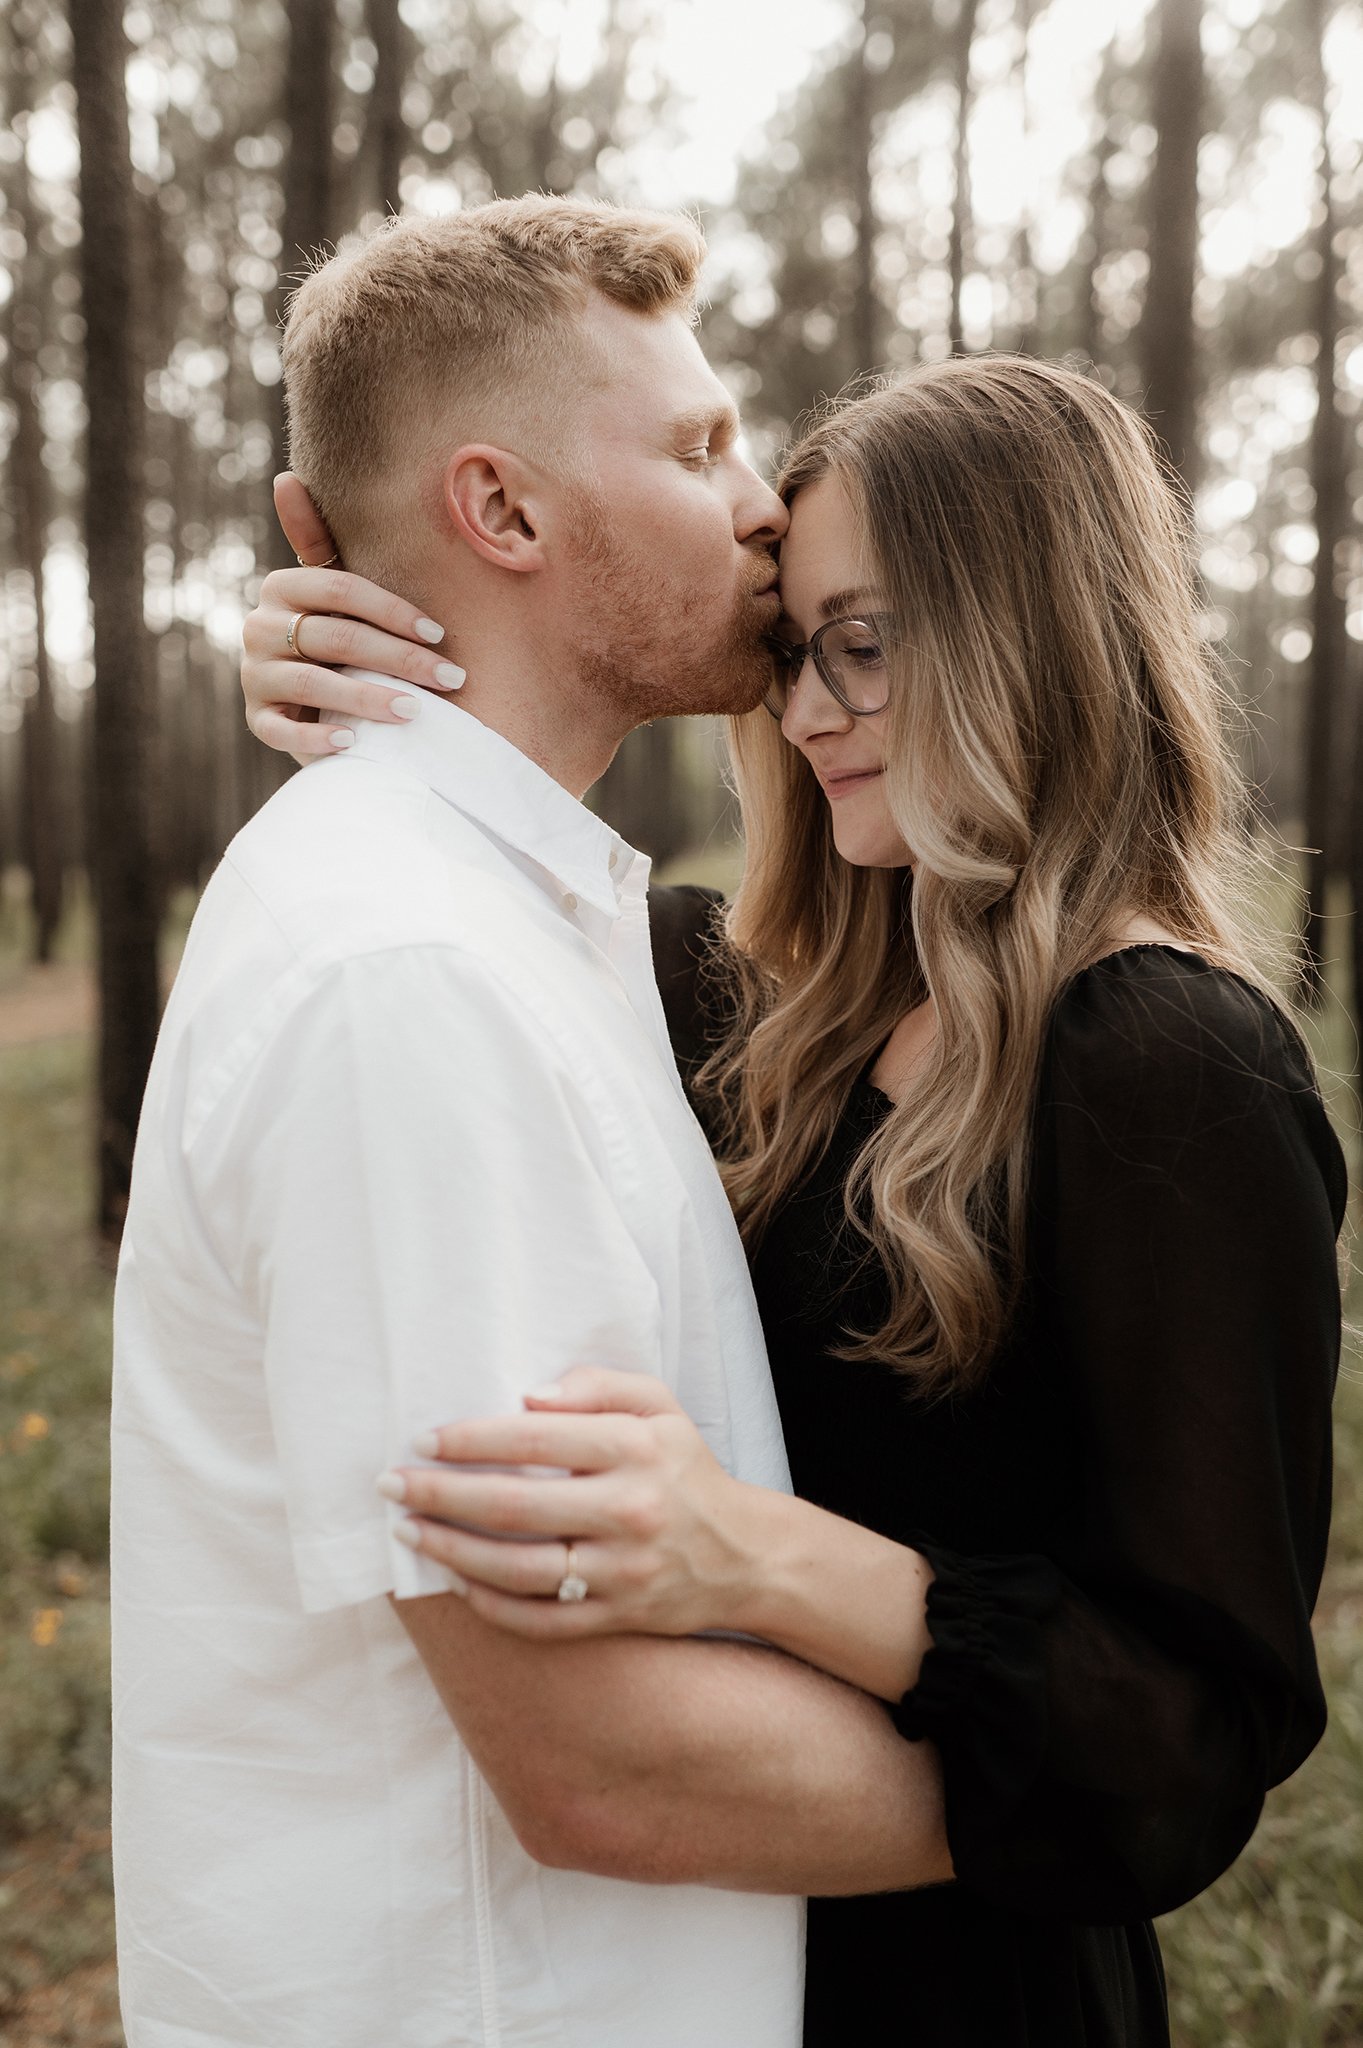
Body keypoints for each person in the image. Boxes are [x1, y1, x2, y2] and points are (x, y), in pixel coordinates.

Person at [241, 345, 1349, 2046]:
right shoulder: (736, 1004)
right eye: (794, 650)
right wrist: (372, 670)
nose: (813, 708)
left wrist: (754, 1555)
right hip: (686, 1967)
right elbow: (499, 839)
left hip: (968, 1980)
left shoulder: (1168, 1068)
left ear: (1033, 637)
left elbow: (1190, 1736)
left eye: (870, 643)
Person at [112, 197, 957, 2048]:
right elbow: (599, 1764)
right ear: (501, 513)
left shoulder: (521, 919)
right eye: (697, 444)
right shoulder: (406, 970)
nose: (763, 501)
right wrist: (1115, 1796)